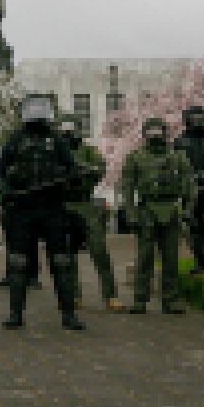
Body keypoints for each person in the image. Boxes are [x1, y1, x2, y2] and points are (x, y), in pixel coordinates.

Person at [0, 94, 85, 331]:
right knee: (18, 262)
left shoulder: (56, 140)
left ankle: (68, 314)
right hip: (22, 210)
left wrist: (72, 177)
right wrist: (5, 190)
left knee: (61, 261)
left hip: (52, 208)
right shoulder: (15, 140)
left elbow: (70, 167)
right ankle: (16, 314)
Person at [118, 117, 194, 315]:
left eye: (158, 131)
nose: (155, 135)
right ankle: (140, 300)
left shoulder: (179, 157)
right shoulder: (135, 157)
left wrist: (188, 209)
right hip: (146, 210)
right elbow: (126, 187)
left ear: (165, 132)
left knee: (171, 259)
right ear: (144, 134)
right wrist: (130, 212)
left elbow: (190, 186)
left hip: (171, 209)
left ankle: (170, 300)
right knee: (144, 258)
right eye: (151, 131)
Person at [55, 115, 122, 311]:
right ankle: (73, 295)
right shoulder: (55, 152)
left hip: (85, 204)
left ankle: (111, 296)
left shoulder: (88, 150)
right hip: (63, 205)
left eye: (71, 128)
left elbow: (100, 170)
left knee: (99, 249)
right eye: (63, 129)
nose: (67, 133)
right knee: (67, 254)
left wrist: (81, 168)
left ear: (78, 130)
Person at [173, 105, 204, 274]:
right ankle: (200, 262)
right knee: (194, 227)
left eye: (201, 117)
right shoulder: (179, 141)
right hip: (189, 190)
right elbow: (174, 166)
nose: (198, 121)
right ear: (187, 119)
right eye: (194, 117)